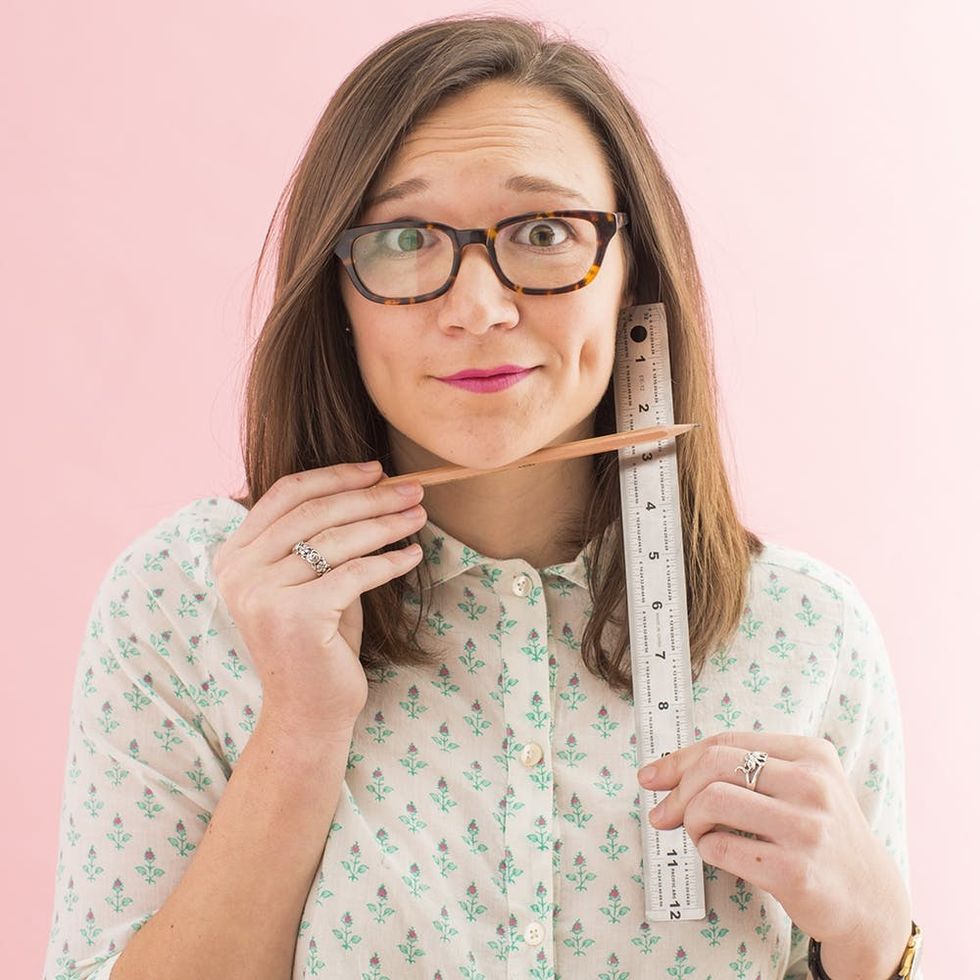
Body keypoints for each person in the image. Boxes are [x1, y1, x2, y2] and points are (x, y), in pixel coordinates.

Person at [41, 14, 922, 980]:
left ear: (631, 272)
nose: (480, 308)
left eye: (543, 233)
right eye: (406, 238)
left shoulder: (809, 631)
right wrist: (297, 730)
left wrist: (878, 944)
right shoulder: (186, 600)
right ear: (338, 289)